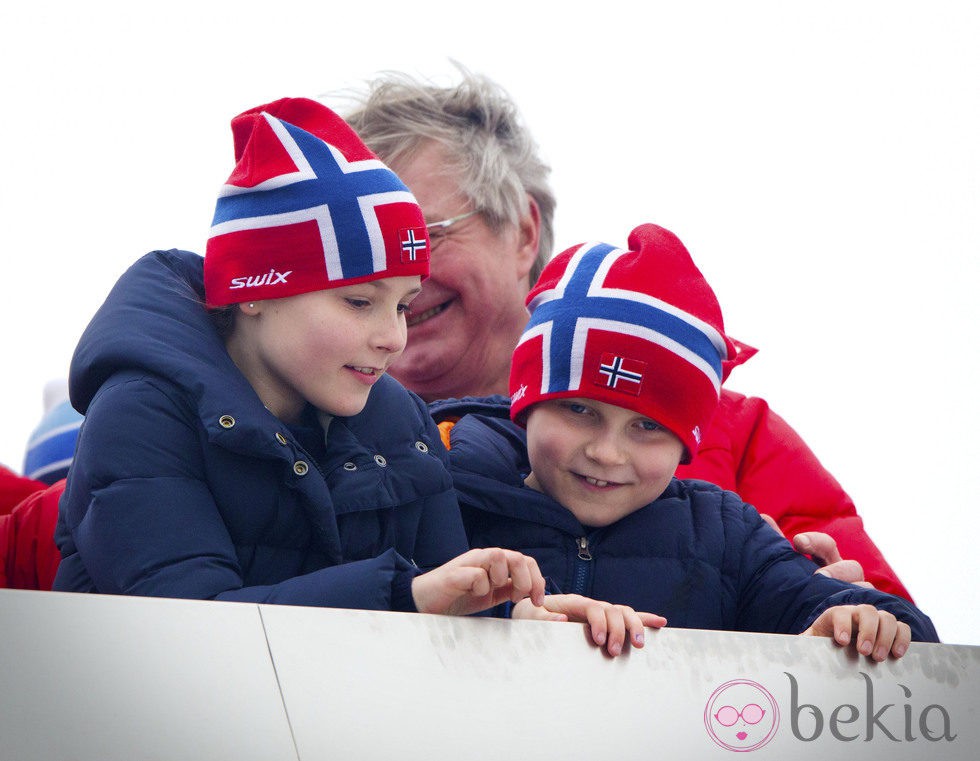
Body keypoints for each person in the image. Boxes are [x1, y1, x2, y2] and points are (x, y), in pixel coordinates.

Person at [344, 68, 913, 600]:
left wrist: (835, 609)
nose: (395, 276)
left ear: (522, 232)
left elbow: (906, 673)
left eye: (423, 233)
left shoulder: (732, 436)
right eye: (356, 255)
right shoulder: (316, 440)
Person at [51, 96, 548, 620]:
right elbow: (189, 633)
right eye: (359, 302)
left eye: (402, 305)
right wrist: (406, 596)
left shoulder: (400, 422)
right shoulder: (141, 418)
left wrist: (522, 616)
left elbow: (450, 593)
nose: (393, 338)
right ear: (254, 292)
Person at [440, 224, 938, 658]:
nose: (606, 452)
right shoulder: (444, 496)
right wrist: (505, 622)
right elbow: (381, 596)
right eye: (579, 409)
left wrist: (854, 617)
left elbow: (888, 633)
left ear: (686, 444)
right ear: (526, 405)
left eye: (648, 426)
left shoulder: (727, 536)